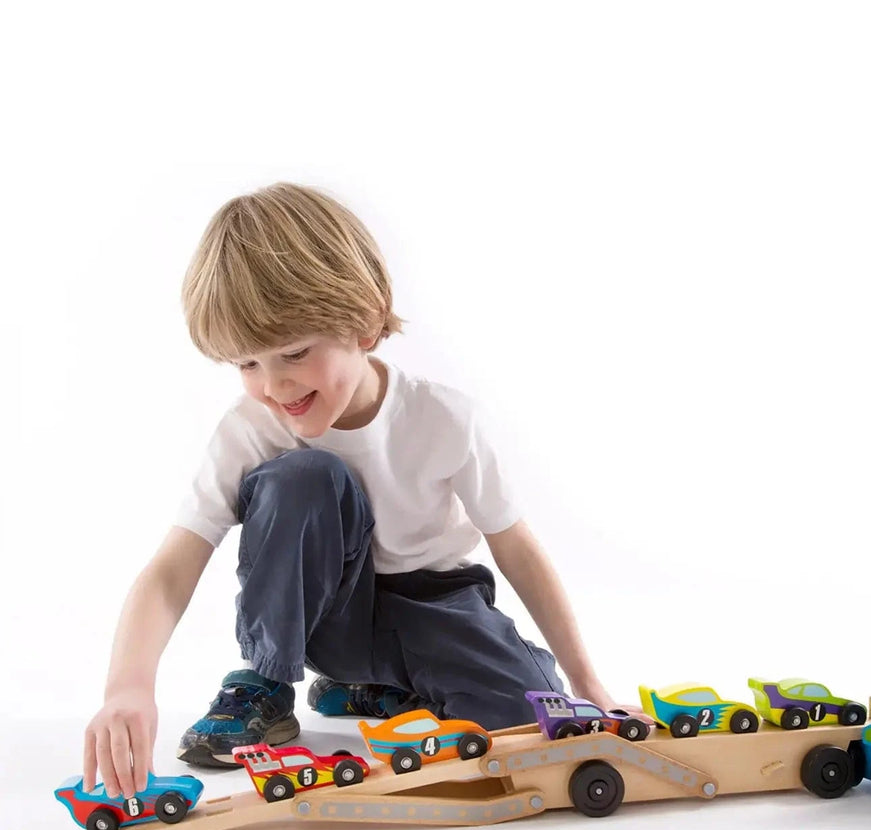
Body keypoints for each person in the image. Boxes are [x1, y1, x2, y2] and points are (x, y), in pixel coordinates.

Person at [82, 181, 646, 798]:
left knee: (523, 715)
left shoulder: (444, 419)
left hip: (435, 606)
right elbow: (172, 566)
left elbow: (515, 546)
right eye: (247, 363)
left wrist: (588, 680)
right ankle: (265, 686)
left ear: (367, 320)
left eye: (294, 352)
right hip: (328, 617)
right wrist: (127, 686)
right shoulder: (251, 431)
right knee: (307, 477)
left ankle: (385, 688)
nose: (273, 385)